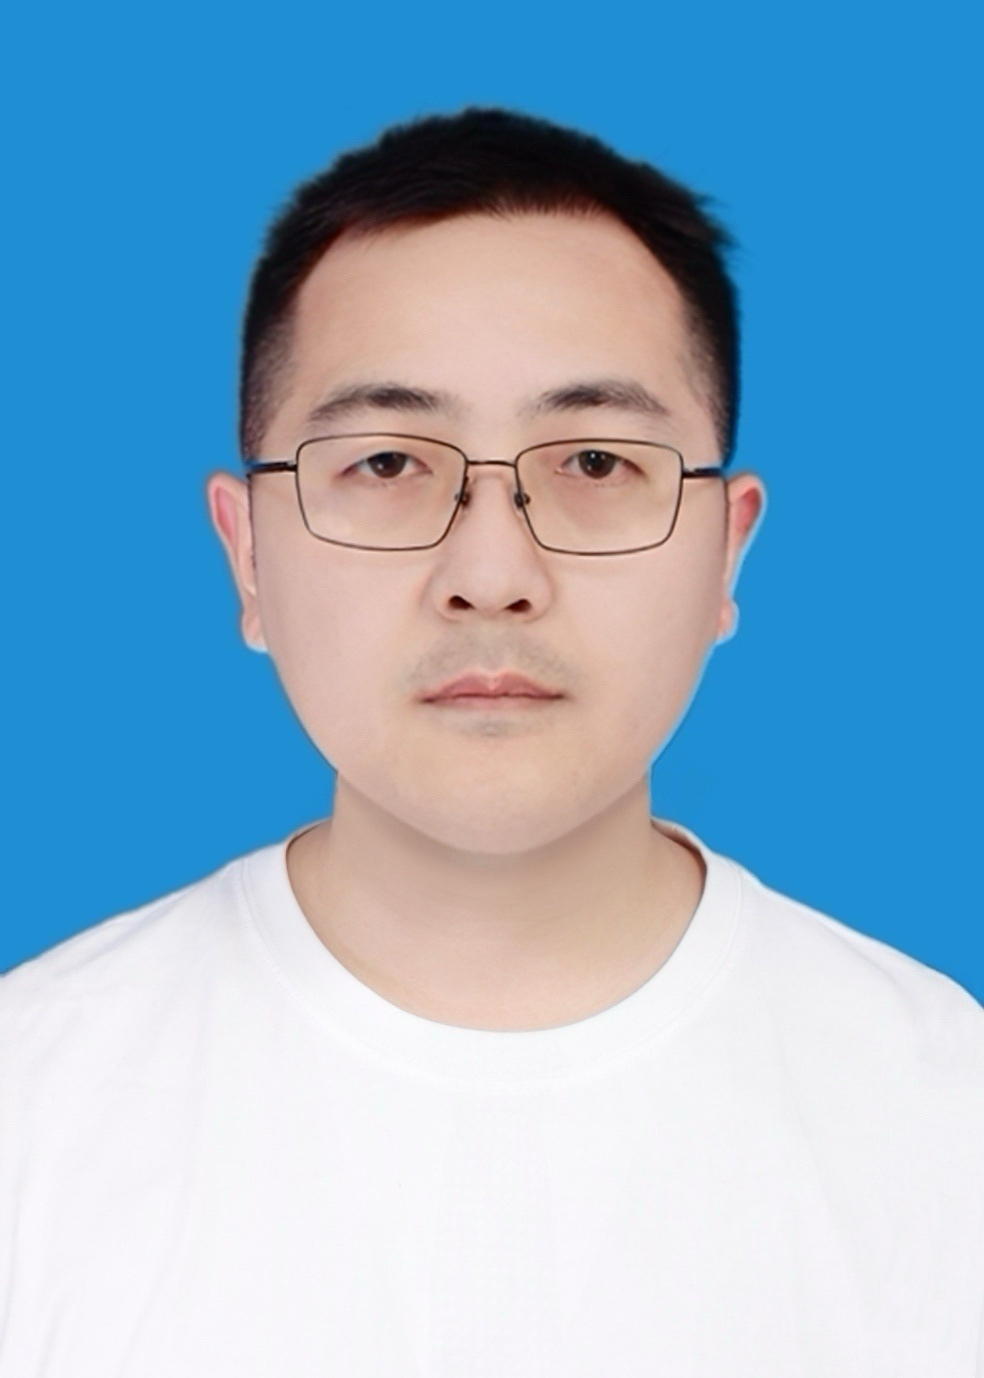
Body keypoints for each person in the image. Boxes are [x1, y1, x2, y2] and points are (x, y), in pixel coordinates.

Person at [1, 108, 981, 1378]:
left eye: (594, 460)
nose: (492, 573)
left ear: (727, 549)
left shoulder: (944, 1115)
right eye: (387, 462)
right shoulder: (33, 1103)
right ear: (246, 554)